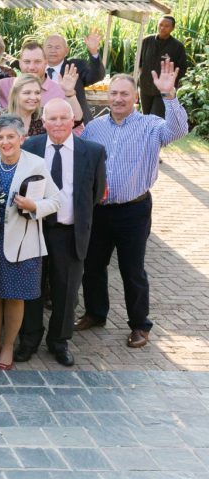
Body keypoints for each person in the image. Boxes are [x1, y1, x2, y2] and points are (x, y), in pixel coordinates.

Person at [78, 64, 187, 348]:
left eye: (124, 94)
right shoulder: (94, 128)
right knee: (93, 265)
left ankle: (140, 325)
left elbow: (178, 130)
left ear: (135, 97)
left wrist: (169, 95)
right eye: (114, 93)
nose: (118, 99)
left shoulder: (151, 126)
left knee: (132, 269)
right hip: (99, 209)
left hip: (133, 211)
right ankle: (95, 313)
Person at [16, 99, 107, 367]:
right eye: (52, 119)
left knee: (66, 291)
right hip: (34, 228)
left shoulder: (92, 151)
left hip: (69, 232)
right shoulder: (30, 147)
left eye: (63, 118)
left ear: (72, 120)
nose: (57, 124)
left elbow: (94, 194)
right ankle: (29, 338)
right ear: (43, 122)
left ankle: (59, 341)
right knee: (31, 288)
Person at [0, 115, 62, 370]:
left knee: (15, 297)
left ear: (21, 138)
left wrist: (34, 206)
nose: (5, 142)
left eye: (11, 136)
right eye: (0, 137)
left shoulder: (36, 164)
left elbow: (56, 200)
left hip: (23, 242)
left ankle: (8, 346)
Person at [42, 31, 104, 122]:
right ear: (42, 49)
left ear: (67, 51)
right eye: (49, 47)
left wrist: (93, 51)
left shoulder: (76, 66)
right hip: (45, 122)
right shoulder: (36, 69)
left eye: (57, 47)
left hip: (76, 122)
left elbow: (96, 75)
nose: (53, 50)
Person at [0, 75, 46, 159]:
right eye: (27, 93)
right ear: (15, 94)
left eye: (37, 93)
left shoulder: (44, 117)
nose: (33, 97)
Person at [138, 15, 188, 116]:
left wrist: (170, 82)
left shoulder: (177, 46)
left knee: (156, 117)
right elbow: (138, 63)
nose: (162, 28)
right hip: (145, 87)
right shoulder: (146, 41)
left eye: (166, 26)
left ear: (172, 28)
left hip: (164, 90)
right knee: (145, 116)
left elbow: (182, 68)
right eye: (160, 25)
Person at [0, 40, 66, 107]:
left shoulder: (58, 92)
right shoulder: (3, 86)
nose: (31, 67)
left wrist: (70, 94)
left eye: (37, 62)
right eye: (27, 62)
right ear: (20, 63)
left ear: (45, 63)